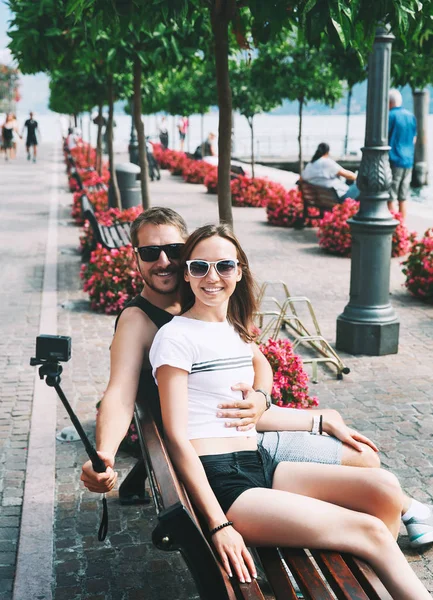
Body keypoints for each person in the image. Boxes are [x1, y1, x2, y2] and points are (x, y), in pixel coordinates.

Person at [80, 207, 433, 548]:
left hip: (248, 431)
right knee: (362, 459)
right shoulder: (140, 321)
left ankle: (387, 521)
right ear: (135, 258)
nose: (163, 261)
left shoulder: (207, 302)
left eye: (173, 250)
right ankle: (397, 516)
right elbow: (120, 394)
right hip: (220, 448)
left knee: (358, 450)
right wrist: (105, 454)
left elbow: (259, 362)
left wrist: (261, 397)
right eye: (150, 252)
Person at [147, 223, 431, 597]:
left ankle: (372, 580)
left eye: (224, 266)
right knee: (372, 531)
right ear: (186, 273)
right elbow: (177, 436)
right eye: (200, 267)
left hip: (258, 462)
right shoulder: (176, 337)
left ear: (240, 270)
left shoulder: (232, 329)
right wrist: (218, 525)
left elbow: (252, 414)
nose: (212, 277)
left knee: (384, 488)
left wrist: (319, 419)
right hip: (223, 484)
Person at [388, 89, 417, 221]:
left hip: (394, 159)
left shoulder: (390, 116)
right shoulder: (411, 116)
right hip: (408, 160)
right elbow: (414, 139)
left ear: (389, 102)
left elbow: (384, 137)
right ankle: (402, 226)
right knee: (403, 196)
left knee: (391, 195)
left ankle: (392, 226)